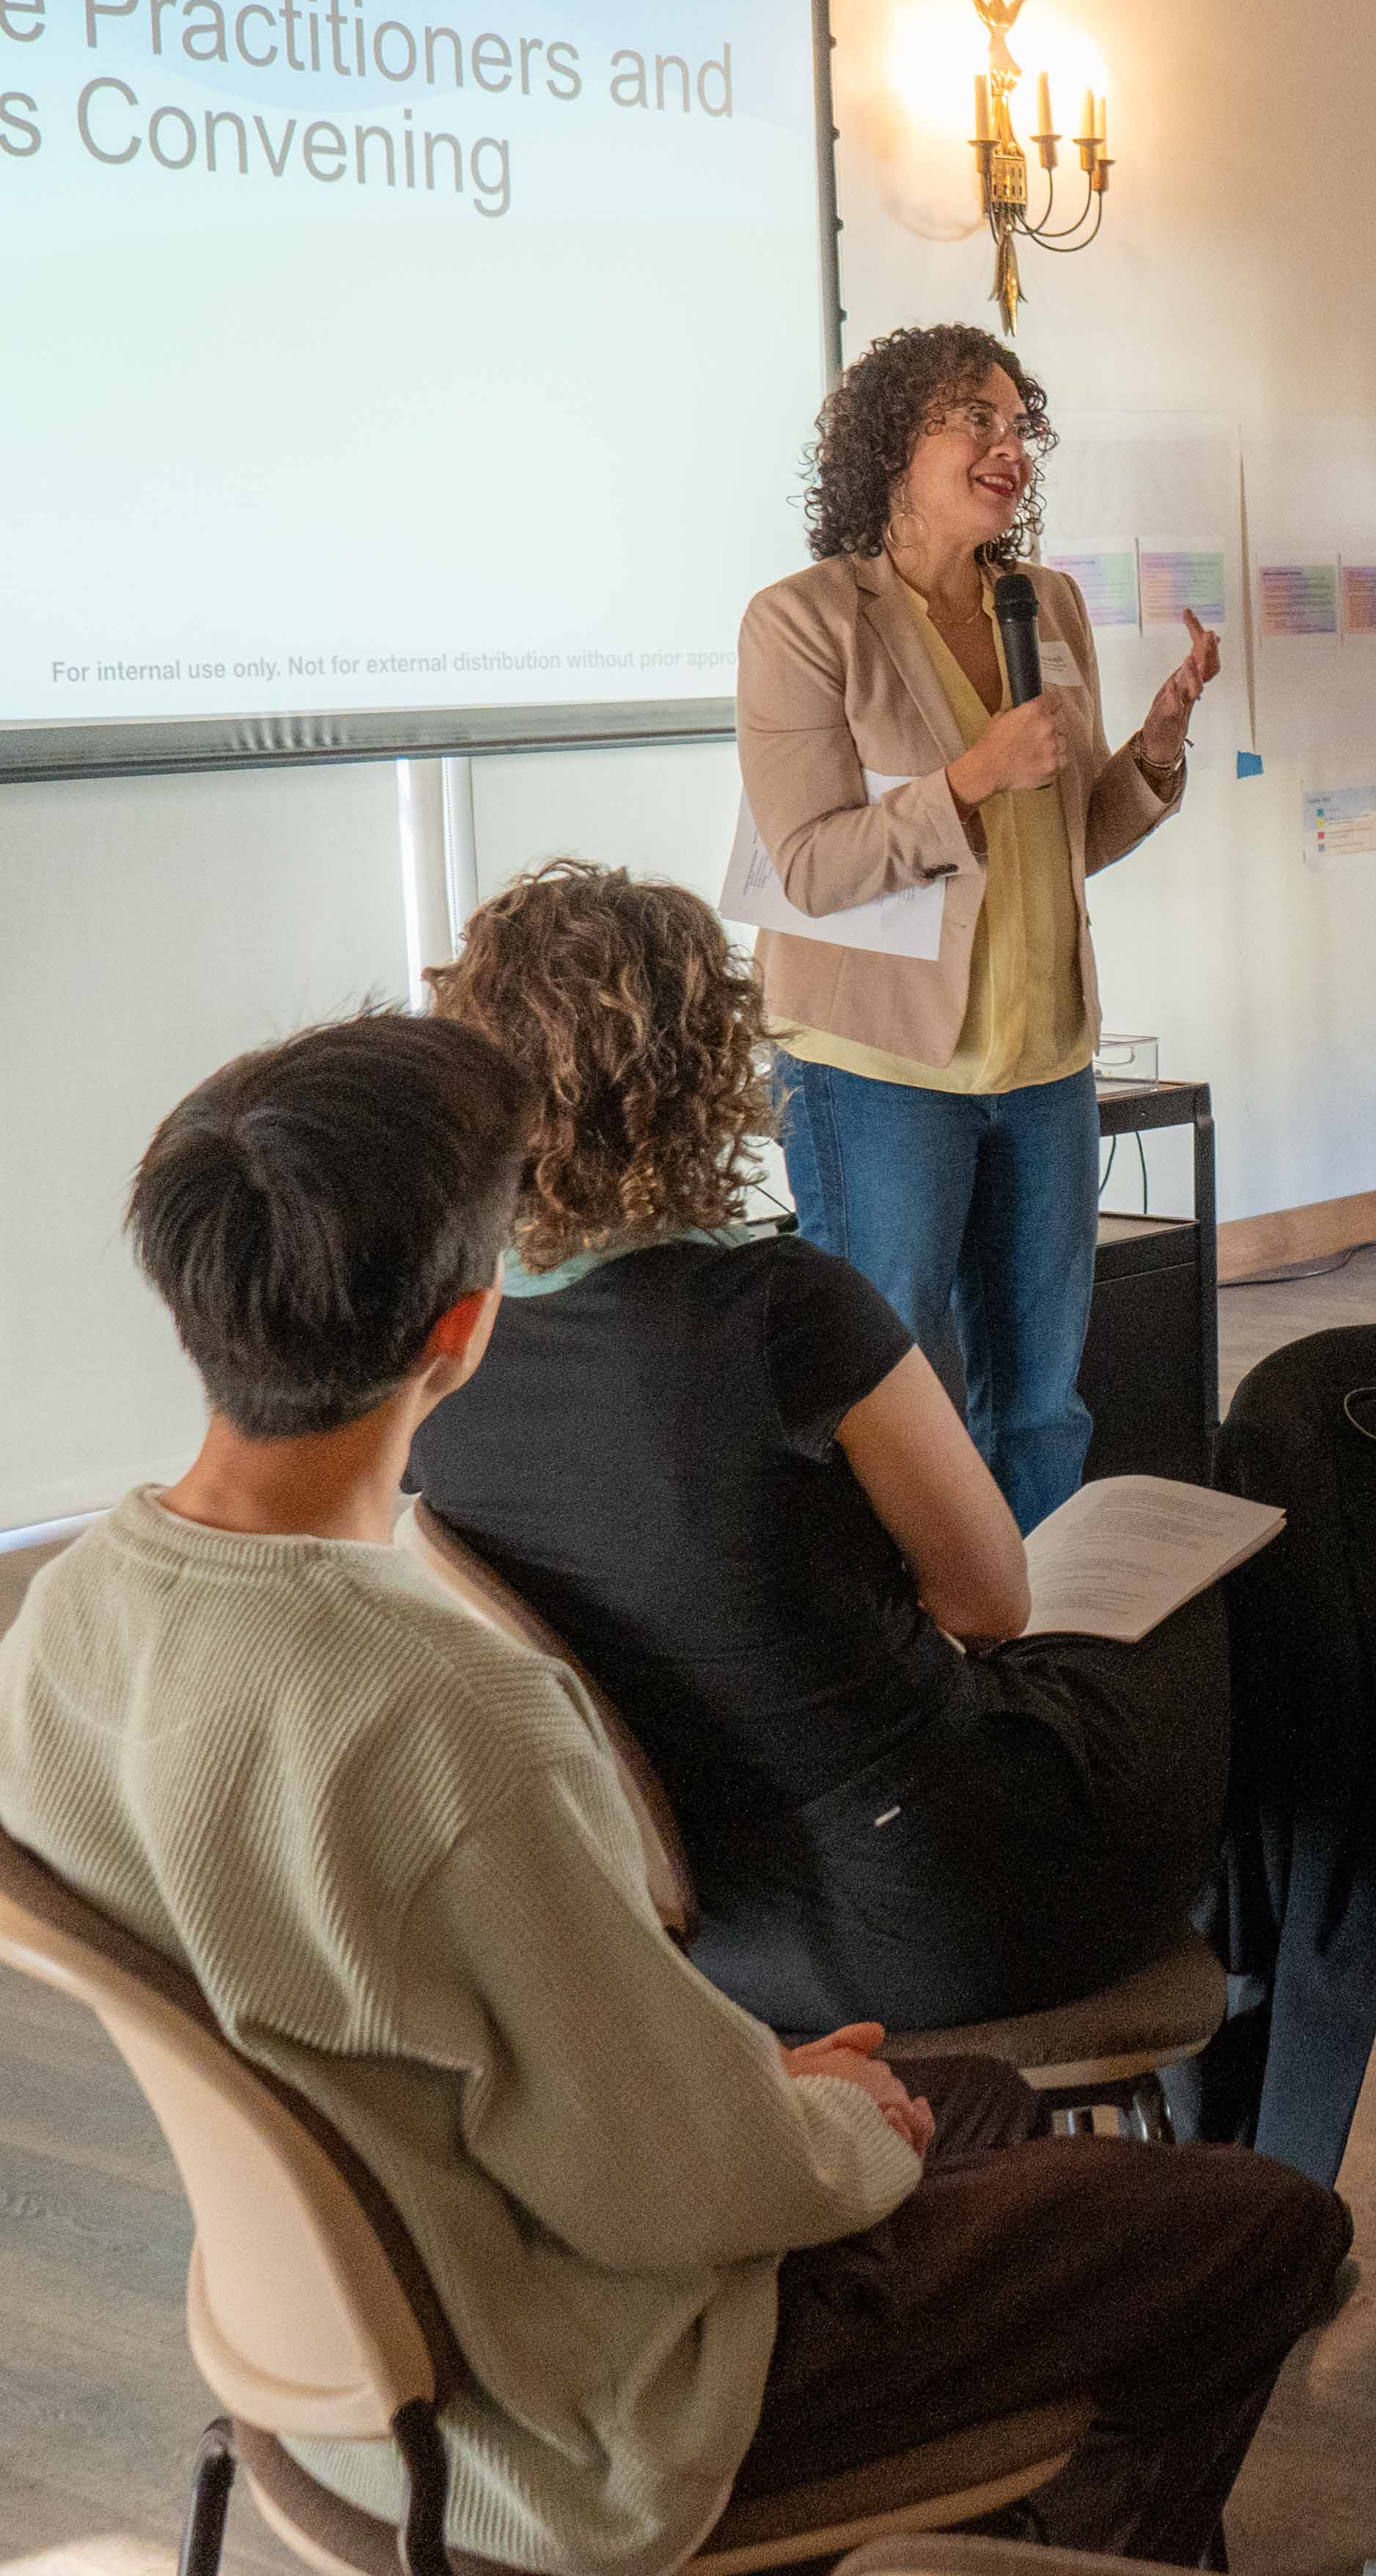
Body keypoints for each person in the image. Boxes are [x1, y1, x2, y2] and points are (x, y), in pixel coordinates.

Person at [0, 1017, 1345, 2576]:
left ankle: (909, 2574)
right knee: (1264, 2226)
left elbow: (517, 2055)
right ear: (466, 1328)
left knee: (980, 2108)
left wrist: (765, 2083)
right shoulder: (449, 1719)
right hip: (575, 2404)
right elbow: (679, 2185)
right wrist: (796, 2117)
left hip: (341, 2350)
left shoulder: (61, 1631)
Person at [411, 862, 1229, 2041]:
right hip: (944, 1913)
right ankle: (1368, 1995)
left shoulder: (441, 1350)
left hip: (714, 1937)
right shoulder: (781, 1311)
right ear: (707, 1066)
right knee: (1230, 1581)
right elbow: (992, 1600)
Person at [741, 324, 1225, 1528]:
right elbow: (808, 864)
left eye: (1020, 425)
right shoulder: (804, 622)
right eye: (975, 418)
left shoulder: (1043, 601)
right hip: (878, 1070)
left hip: (1044, 1056)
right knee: (895, 1390)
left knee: (1043, 1399)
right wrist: (966, 778)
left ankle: (1041, 1649)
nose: (1008, 446)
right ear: (890, 447)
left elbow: (1072, 839)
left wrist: (1156, 744)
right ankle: (905, 1655)